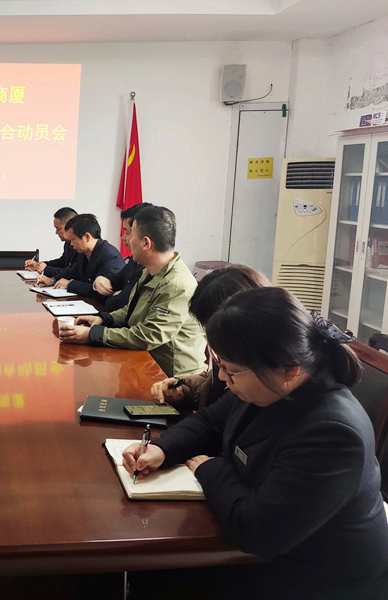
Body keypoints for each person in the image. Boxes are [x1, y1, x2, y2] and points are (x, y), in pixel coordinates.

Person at [123, 287, 388, 600]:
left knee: (154, 576)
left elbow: (258, 532)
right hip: (264, 549)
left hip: (313, 577)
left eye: (232, 370)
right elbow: (210, 421)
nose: (223, 378)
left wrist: (210, 468)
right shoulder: (266, 384)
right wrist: (161, 448)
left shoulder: (333, 434)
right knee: (147, 572)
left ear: (289, 369)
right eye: (220, 363)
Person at [59, 205, 205, 378]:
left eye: (130, 234)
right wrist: (103, 319)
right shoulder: (150, 270)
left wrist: (94, 334)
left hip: (172, 378)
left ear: (146, 243)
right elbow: (132, 310)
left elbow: (148, 336)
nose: (125, 239)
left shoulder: (176, 284)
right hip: (146, 364)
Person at [150, 264, 271, 410]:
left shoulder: (264, 376)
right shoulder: (230, 350)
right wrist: (183, 390)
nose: (223, 375)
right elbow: (214, 384)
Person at [36, 213, 124, 300]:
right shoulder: (84, 252)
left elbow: (100, 291)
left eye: (73, 239)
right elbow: (72, 271)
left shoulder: (110, 257)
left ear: (87, 237)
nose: (71, 244)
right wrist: (52, 280)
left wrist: (70, 284)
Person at [93, 202, 150, 312]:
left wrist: (117, 296)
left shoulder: (147, 267)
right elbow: (114, 282)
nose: (123, 237)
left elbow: (115, 304)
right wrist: (99, 281)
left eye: (127, 232)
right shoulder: (134, 260)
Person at [24, 206, 79, 279]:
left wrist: (46, 269)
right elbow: (62, 262)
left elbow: (72, 273)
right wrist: (39, 265)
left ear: (70, 227)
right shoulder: (68, 243)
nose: (56, 232)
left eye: (58, 228)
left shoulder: (81, 247)